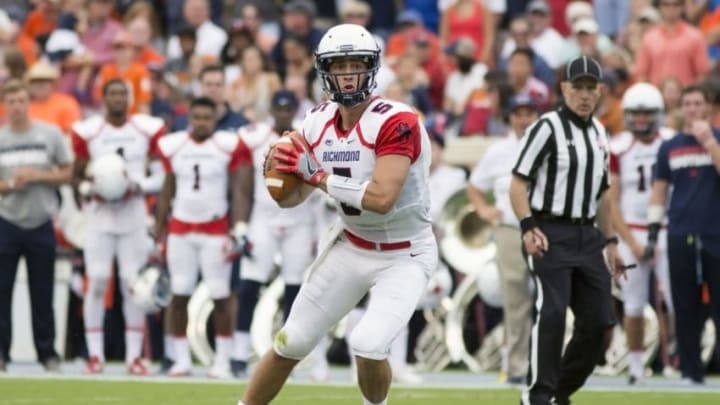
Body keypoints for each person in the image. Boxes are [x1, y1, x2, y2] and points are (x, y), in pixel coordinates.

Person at [237, 24, 436, 405]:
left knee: (367, 343)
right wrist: (282, 178)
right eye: (338, 64)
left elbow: (381, 199)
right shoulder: (315, 121)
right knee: (291, 339)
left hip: (403, 252)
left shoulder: (398, 120)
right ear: (324, 70)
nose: (347, 73)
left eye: (355, 64)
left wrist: (315, 174)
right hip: (351, 244)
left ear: (371, 68)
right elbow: (292, 198)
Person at [509, 55, 625, 405]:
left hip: (587, 235)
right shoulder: (546, 127)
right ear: (564, 89)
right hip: (549, 231)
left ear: (601, 91)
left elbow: (603, 194)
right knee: (553, 311)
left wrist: (610, 242)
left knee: (600, 321)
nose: (585, 95)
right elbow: (517, 183)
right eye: (579, 87)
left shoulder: (600, 132)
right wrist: (528, 225)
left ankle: (560, 391)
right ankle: (537, 394)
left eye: (592, 88)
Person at [70, 79, 166, 375]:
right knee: (97, 280)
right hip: (99, 217)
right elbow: (76, 178)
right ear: (103, 98)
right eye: (112, 93)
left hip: (133, 215)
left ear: (130, 98)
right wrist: (89, 190)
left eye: (122, 93)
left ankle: (133, 356)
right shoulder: (90, 132)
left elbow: (160, 178)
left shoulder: (145, 130)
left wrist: (137, 186)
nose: (117, 99)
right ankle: (95, 355)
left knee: (131, 285)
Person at [155, 97, 253, 378]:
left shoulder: (226, 145)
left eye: (206, 118)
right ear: (189, 118)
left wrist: (239, 226)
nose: (201, 123)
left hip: (215, 229)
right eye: (196, 117)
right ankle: (181, 359)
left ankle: (222, 360)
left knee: (220, 295)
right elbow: (167, 190)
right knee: (179, 294)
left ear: (214, 119)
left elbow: (237, 190)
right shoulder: (176, 146)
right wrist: (159, 227)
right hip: (181, 229)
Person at [231, 90, 319, 378]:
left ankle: (287, 356)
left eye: (288, 108)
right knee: (249, 287)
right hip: (264, 219)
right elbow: (243, 184)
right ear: (271, 109)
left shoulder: (309, 138)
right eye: (278, 108)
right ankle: (238, 353)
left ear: (295, 109)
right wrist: (241, 226)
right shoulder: (254, 137)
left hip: (299, 219)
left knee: (294, 291)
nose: (283, 113)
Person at [646, 84, 720, 385]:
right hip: (679, 233)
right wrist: (652, 233)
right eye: (687, 103)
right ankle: (691, 369)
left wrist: (708, 141)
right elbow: (659, 192)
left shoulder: (715, 139)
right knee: (684, 304)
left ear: (708, 107)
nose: (691, 108)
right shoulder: (670, 146)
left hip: (715, 233)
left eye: (697, 103)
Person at [0, 79, 72, 373]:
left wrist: (39, 176)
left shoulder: (50, 134)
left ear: (29, 103)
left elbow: (68, 172)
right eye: (11, 101)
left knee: (43, 292)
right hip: (7, 220)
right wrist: (8, 185)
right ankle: (1, 354)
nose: (17, 107)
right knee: (1, 292)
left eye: (21, 100)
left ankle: (47, 353)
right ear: (5, 105)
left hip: (41, 220)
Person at [468, 95, 539, 386]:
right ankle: (518, 365)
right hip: (510, 228)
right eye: (518, 114)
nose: (523, 119)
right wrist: (484, 209)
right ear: (509, 118)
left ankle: (547, 362)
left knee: (554, 297)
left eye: (528, 113)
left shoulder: (546, 145)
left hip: (545, 227)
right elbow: (474, 186)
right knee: (516, 297)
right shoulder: (498, 150)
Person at [608, 82, 676, 385]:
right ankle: (636, 366)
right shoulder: (618, 146)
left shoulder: (671, 142)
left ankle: (679, 357)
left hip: (667, 229)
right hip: (631, 231)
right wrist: (632, 242)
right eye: (635, 114)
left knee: (678, 301)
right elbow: (612, 200)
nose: (641, 120)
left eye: (647, 113)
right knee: (633, 303)